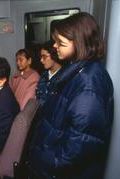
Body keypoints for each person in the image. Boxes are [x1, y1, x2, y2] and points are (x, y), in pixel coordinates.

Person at [26, 12, 114, 179]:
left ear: (79, 43)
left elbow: (79, 143)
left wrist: (47, 164)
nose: (55, 46)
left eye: (61, 43)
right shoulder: (76, 71)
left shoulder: (90, 83)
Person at [36, 40, 62, 106]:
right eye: (41, 57)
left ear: (54, 55)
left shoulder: (63, 77)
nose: (41, 60)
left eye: (44, 57)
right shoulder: (43, 76)